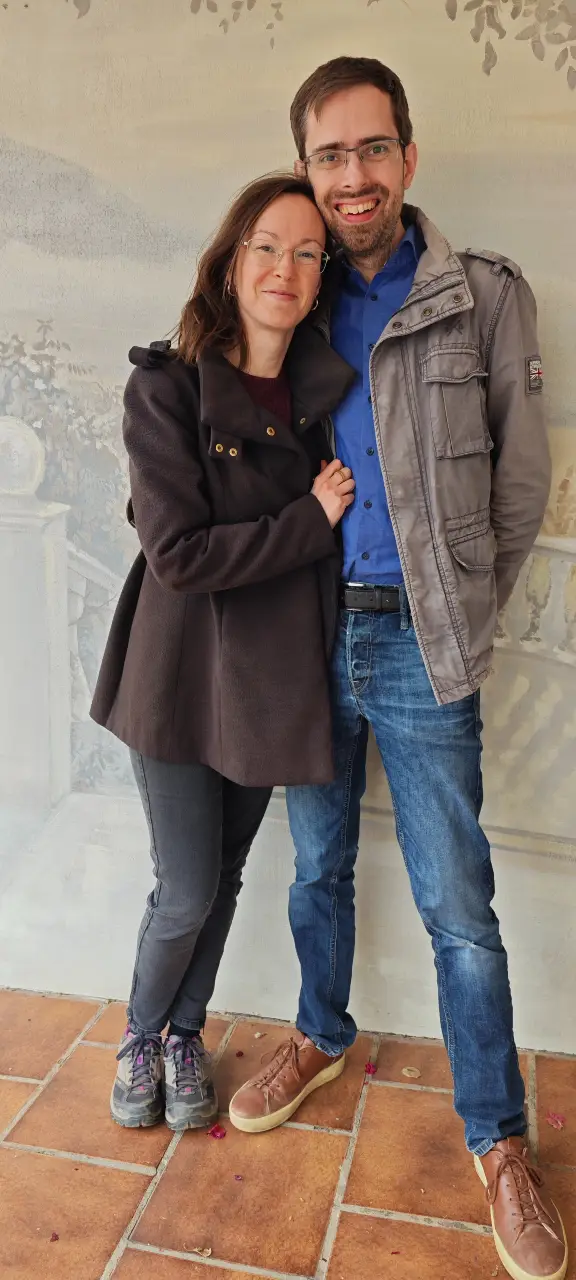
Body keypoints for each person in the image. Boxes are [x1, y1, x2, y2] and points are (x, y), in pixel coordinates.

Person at [228, 59, 567, 1280]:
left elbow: (520, 480)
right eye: (331, 155)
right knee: (314, 866)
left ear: (408, 158)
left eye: (373, 149)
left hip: (425, 645)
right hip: (306, 634)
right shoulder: (295, 294)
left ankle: (498, 1138)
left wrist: (459, 605)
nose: (354, 175)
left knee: (458, 908)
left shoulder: (483, 296)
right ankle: (320, 1031)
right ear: (307, 170)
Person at [90, 172, 357, 1133]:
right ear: (232, 261)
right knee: (187, 887)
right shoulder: (165, 386)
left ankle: (183, 1033)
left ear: (320, 280)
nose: (286, 268)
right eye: (267, 247)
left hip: (269, 680)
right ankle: (140, 1032)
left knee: (230, 875)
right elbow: (180, 554)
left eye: (307, 253)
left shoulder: (327, 400)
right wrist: (308, 521)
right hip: (175, 677)